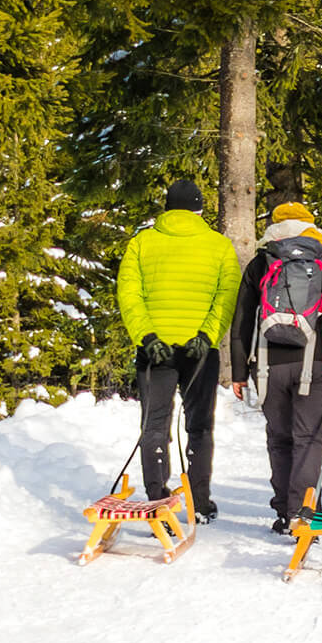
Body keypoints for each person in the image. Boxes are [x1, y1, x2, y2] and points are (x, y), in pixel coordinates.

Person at [231, 202, 322, 534]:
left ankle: (286, 512)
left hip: (269, 365)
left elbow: (243, 318)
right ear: (309, 224)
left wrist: (238, 371)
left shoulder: (263, 260)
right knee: (309, 438)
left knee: (279, 438)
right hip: (318, 362)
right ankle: (303, 513)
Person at [116, 178, 242, 520]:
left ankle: (157, 497)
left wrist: (147, 337)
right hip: (200, 349)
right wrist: (208, 334)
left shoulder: (141, 243)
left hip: (155, 351)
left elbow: (129, 295)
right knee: (199, 426)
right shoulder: (219, 246)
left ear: (167, 208)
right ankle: (199, 502)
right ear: (199, 209)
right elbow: (226, 295)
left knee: (154, 423)